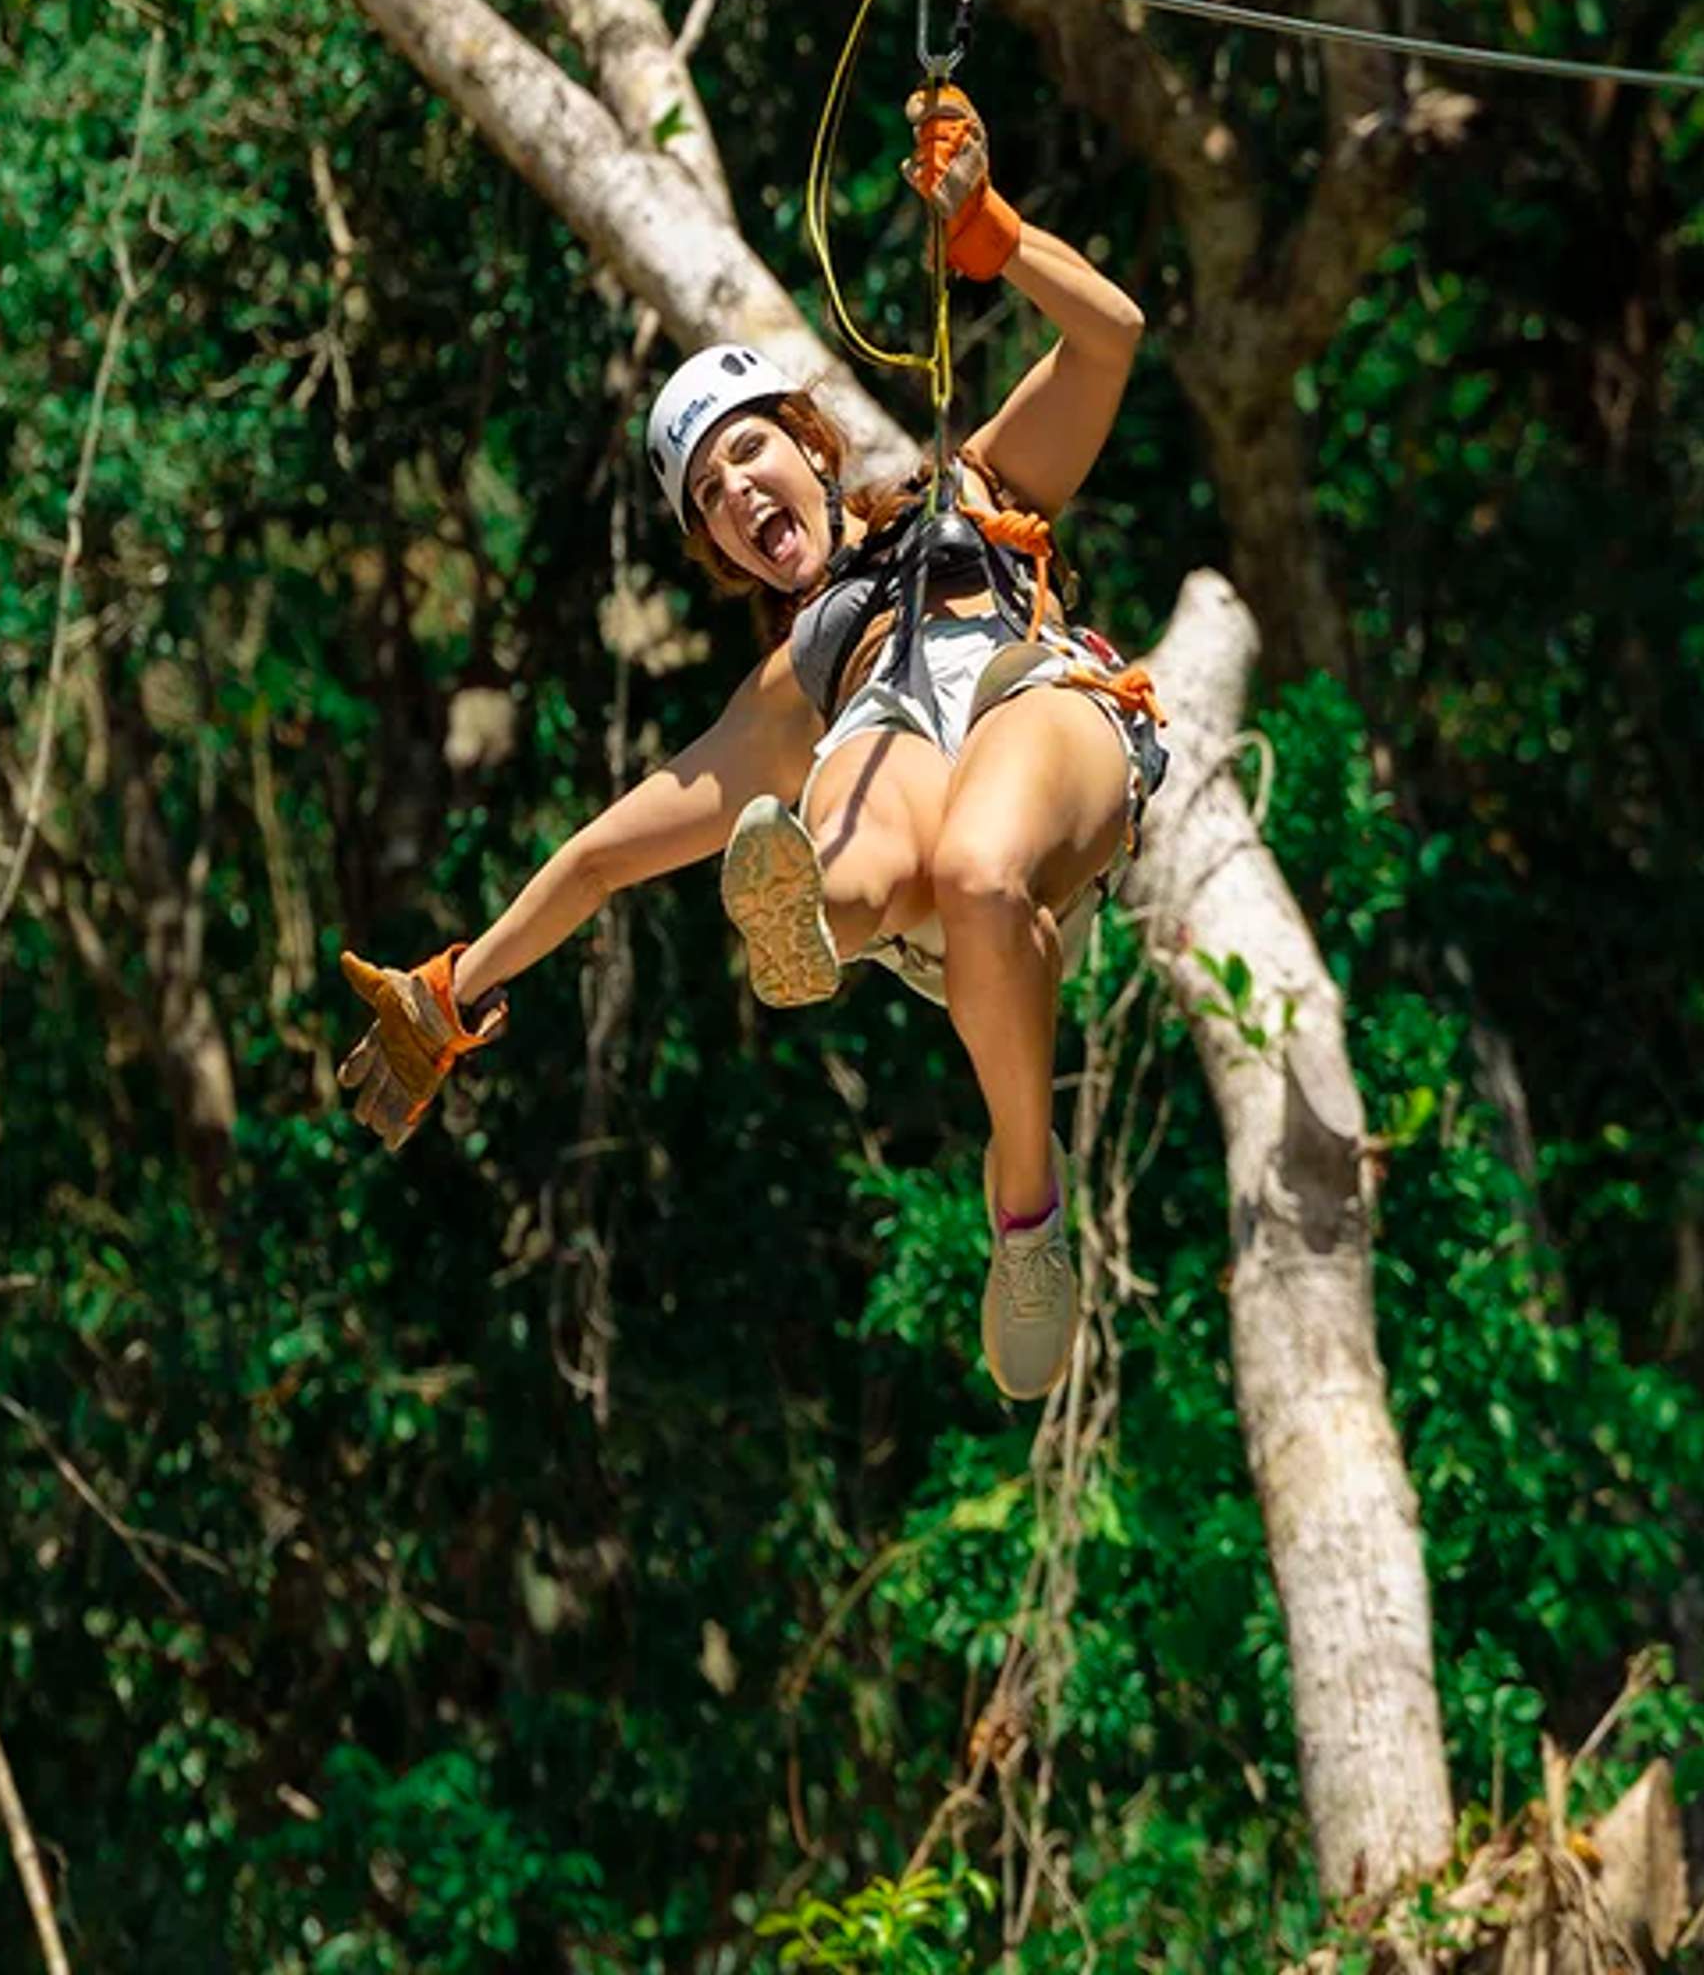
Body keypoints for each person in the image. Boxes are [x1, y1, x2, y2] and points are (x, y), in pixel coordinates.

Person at [333, 90, 1162, 1401]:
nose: (736, 498)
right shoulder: (785, 690)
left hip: (1026, 698)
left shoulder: (976, 492)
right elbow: (601, 858)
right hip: (883, 742)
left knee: (982, 858)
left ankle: (1024, 1207)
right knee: (856, 824)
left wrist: (993, 234)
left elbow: (1110, 341)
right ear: (718, 553)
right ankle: (820, 908)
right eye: (710, 501)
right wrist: (452, 992)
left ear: (811, 449)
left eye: (749, 457)